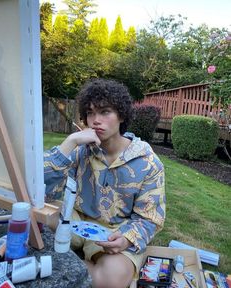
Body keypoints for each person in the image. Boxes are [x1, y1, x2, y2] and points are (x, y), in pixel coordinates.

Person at [44, 78, 166, 288]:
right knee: (31, 223)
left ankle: (52, 266)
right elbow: (42, 186)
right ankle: (61, 265)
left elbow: (150, 217)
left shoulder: (148, 163)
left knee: (112, 279)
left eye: (105, 112)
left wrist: (127, 239)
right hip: (73, 219)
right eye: (90, 113)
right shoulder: (80, 149)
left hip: (114, 231)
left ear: (121, 115)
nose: (95, 120)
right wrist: (70, 141)